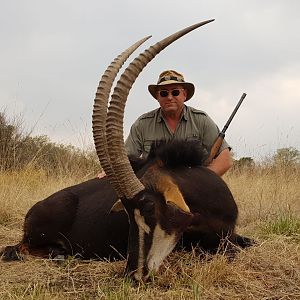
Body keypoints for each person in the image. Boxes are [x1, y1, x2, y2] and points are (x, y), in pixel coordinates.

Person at [98, 70, 232, 178]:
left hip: (193, 187)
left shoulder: (201, 120)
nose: (169, 97)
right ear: (157, 97)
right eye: (164, 93)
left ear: (184, 94)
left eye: (175, 92)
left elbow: (225, 158)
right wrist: (111, 171)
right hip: (155, 187)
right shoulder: (142, 124)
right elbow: (126, 158)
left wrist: (203, 179)